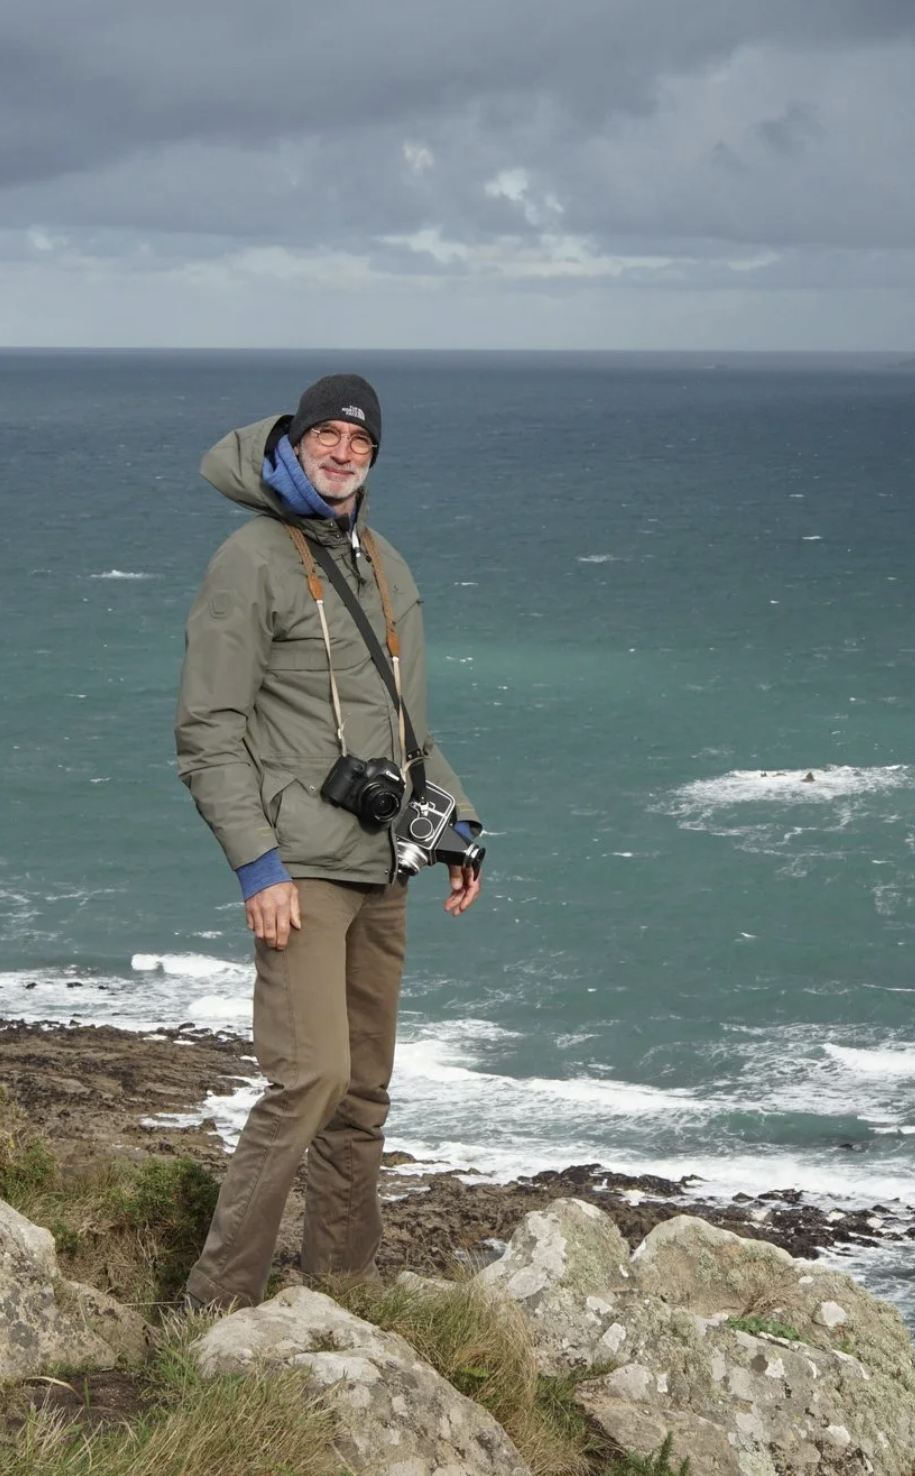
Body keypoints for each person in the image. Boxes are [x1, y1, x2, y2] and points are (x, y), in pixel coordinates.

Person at [175, 373, 481, 1310]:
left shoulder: (384, 563)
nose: (343, 451)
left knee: (362, 1098)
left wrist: (459, 826)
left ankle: (338, 1298)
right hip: (301, 871)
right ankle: (214, 1306)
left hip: (384, 863)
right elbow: (207, 732)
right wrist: (257, 867)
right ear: (294, 441)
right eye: (328, 435)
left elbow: (407, 729)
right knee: (310, 1079)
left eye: (361, 440)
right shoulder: (250, 559)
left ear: (373, 457)